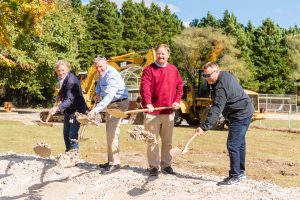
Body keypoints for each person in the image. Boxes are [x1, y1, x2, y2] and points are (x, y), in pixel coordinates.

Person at [195, 61, 254, 186]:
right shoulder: (225, 75)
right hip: (244, 110)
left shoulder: (220, 86)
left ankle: (235, 176)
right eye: (204, 76)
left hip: (241, 114)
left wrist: (204, 127)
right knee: (240, 143)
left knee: (233, 144)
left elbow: (217, 108)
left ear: (217, 71)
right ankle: (240, 173)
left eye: (208, 75)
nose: (206, 78)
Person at [140, 44, 183, 176]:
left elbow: (179, 87)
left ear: (168, 55)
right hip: (152, 112)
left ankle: (166, 165)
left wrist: (176, 101)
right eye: (158, 53)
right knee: (152, 140)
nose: (160, 56)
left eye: (163, 53)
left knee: (167, 141)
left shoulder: (173, 70)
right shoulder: (149, 69)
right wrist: (148, 103)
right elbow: (144, 88)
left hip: (168, 113)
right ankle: (153, 167)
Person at [87, 56, 129, 174]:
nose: (99, 69)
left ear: (106, 64)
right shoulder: (102, 74)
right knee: (109, 133)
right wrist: (97, 93)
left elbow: (109, 96)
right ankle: (111, 161)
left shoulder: (112, 76)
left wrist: (96, 110)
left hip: (119, 104)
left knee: (113, 133)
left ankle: (115, 163)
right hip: (112, 103)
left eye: (100, 66)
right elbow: (100, 85)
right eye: (97, 67)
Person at [50, 60, 88, 153]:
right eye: (59, 70)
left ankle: (74, 154)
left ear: (67, 69)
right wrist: (59, 95)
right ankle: (68, 152)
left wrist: (58, 108)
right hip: (69, 109)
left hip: (78, 109)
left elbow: (70, 99)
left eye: (63, 70)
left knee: (72, 133)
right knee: (66, 133)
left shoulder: (71, 81)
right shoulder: (62, 78)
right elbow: (63, 88)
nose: (61, 72)